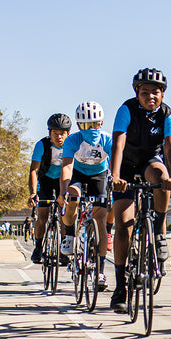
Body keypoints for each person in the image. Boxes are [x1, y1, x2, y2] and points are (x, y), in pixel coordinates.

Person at [108, 68, 171, 313]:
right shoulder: (126, 109)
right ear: (137, 92)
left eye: (156, 92)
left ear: (162, 94)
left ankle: (158, 229)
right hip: (125, 166)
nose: (151, 96)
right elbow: (118, 143)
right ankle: (120, 287)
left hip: (150, 159)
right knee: (123, 225)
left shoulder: (167, 114)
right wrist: (115, 175)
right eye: (145, 92)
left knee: (161, 177)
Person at [56, 101, 113, 291]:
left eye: (95, 124)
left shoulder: (107, 140)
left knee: (100, 218)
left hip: (99, 175)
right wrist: (64, 189)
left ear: (101, 123)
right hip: (78, 174)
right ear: (79, 126)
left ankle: (101, 270)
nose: (91, 129)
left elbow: (114, 166)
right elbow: (66, 166)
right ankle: (70, 235)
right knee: (73, 195)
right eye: (86, 125)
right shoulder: (73, 140)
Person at [27, 113, 71, 264]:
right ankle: (38, 247)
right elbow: (34, 170)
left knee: (64, 215)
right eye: (55, 133)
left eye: (62, 134)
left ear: (68, 134)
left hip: (63, 181)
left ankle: (64, 250)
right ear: (49, 133)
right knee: (43, 216)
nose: (59, 137)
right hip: (45, 180)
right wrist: (33, 193)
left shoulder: (72, 145)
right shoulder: (42, 145)